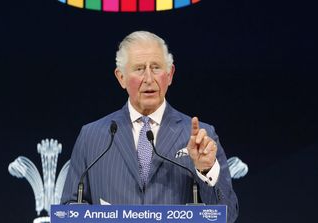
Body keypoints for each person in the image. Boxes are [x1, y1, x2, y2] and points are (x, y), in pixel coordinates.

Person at [61, 31, 238, 222]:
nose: (148, 78)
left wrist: (207, 170)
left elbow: (227, 215)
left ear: (170, 75)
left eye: (156, 68)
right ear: (121, 77)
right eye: (139, 69)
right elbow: (69, 209)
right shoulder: (92, 137)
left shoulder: (200, 137)